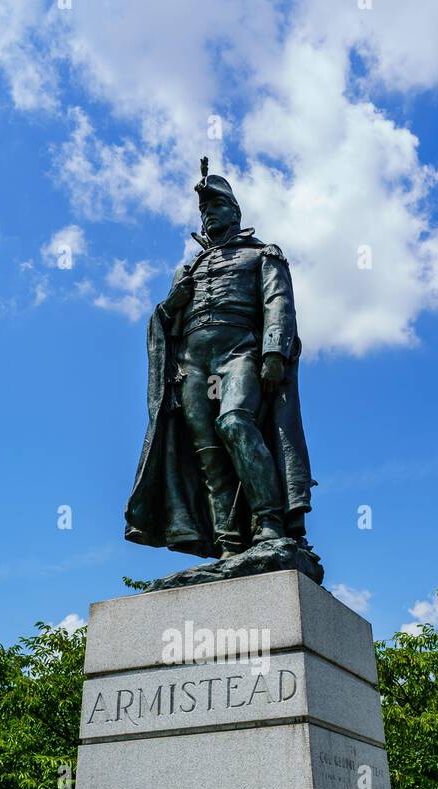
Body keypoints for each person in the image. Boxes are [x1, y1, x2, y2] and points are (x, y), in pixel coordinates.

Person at [125, 161, 315, 561]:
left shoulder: (263, 254)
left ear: (235, 211)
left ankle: (269, 521)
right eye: (204, 209)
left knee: (235, 422)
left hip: (238, 352)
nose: (208, 214)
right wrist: (168, 306)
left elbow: (278, 302)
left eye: (216, 206)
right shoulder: (188, 268)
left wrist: (274, 352)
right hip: (192, 363)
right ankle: (229, 542)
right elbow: (162, 321)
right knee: (208, 454)